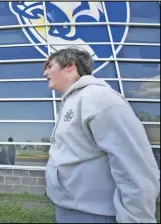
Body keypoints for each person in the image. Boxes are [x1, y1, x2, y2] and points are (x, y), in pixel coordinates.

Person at [43, 47, 160, 223]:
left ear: (70, 66)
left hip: (95, 215)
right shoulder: (73, 101)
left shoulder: (99, 98)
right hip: (71, 210)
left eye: (49, 66)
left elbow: (135, 166)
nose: (45, 73)